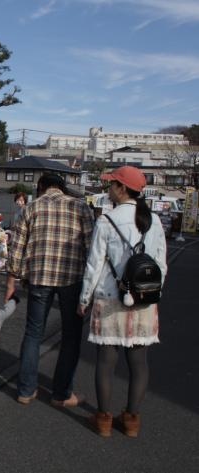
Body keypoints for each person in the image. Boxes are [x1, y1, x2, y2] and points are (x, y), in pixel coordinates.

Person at [78, 166, 167, 438]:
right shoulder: (154, 221)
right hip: (143, 299)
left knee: (106, 360)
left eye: (111, 184)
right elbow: (161, 264)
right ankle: (131, 420)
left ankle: (103, 419)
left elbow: (94, 265)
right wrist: (153, 292)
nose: (108, 189)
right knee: (138, 362)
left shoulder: (107, 221)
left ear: (121, 188)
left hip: (109, 298)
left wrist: (84, 299)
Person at [5, 173, 94, 406]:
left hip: (39, 278)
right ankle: (61, 394)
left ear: (41, 187)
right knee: (71, 337)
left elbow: (16, 247)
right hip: (72, 280)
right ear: (62, 187)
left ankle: (25, 390)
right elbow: (91, 248)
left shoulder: (31, 208)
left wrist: (15, 275)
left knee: (33, 333)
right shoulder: (81, 207)